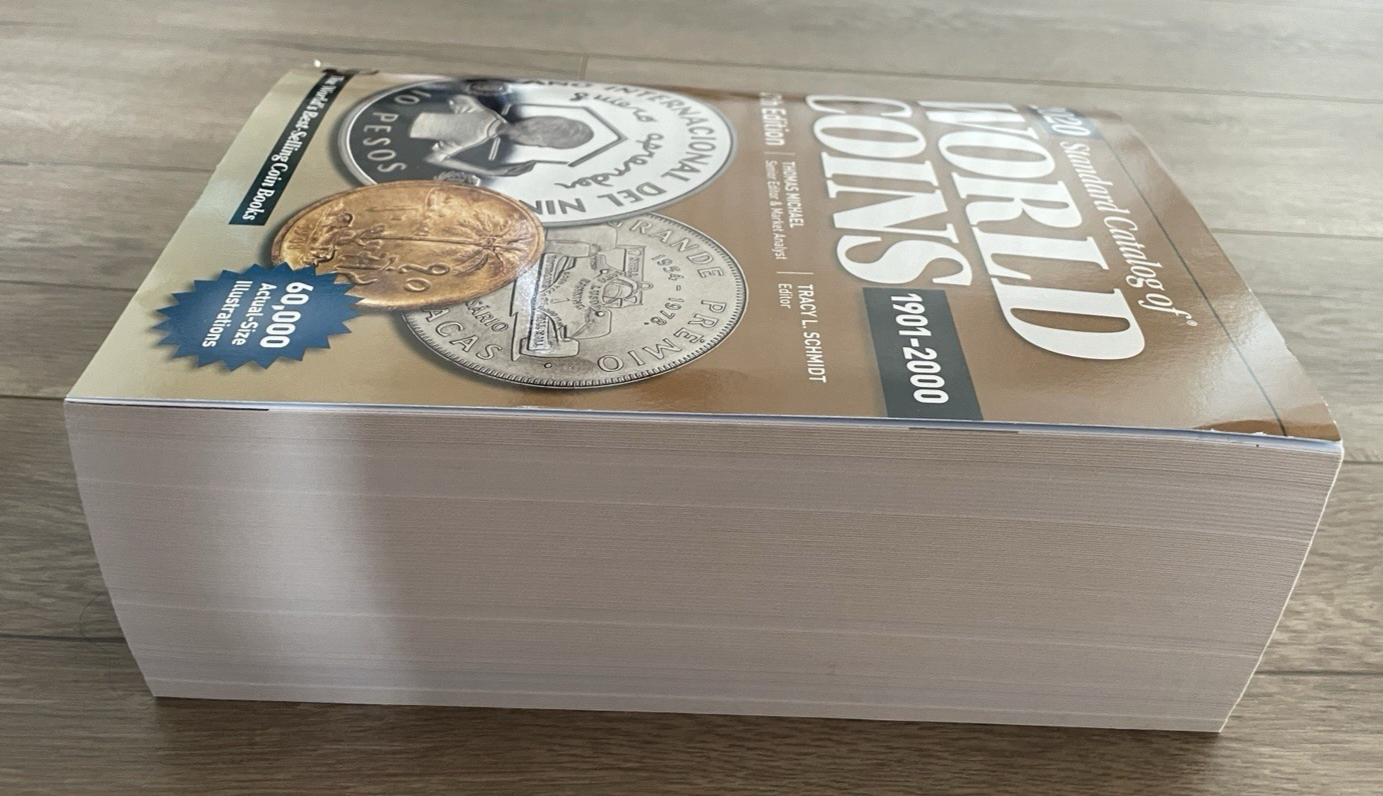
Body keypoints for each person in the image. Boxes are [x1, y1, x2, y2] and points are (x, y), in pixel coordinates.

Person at [409, 93, 595, 179]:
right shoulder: (476, 136)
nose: (536, 147)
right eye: (542, 144)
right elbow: (433, 158)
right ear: (536, 138)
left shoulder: (485, 114)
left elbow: (457, 97)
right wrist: (490, 172)